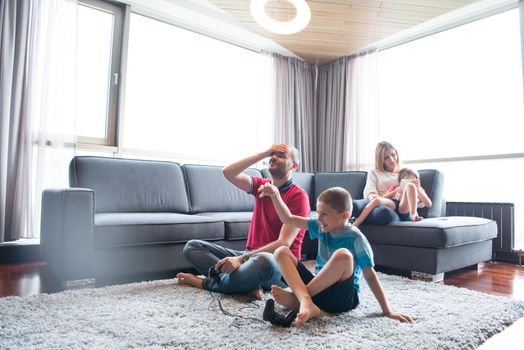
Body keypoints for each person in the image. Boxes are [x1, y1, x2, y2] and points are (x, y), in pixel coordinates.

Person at [258, 184, 413, 326]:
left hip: (342, 298)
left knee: (343, 255)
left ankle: (297, 299)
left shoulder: (356, 238)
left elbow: (370, 275)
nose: (318, 218)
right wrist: (275, 196)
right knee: (281, 251)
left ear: (344, 215)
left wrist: (387, 310)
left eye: (324, 214)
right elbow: (288, 219)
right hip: (319, 289)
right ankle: (305, 301)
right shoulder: (320, 225)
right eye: (318, 212)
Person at [176, 144, 310, 300]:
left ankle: (207, 283)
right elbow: (228, 172)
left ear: (294, 165)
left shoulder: (299, 197)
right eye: (273, 154)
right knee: (192, 247)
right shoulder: (262, 185)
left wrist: (241, 259)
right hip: (249, 256)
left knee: (263, 260)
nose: (274, 157)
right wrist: (263, 153)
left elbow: (283, 243)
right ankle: (246, 285)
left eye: (281, 155)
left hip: (280, 267)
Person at [352, 167, 432, 227]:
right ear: (401, 180)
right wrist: (397, 190)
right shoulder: (395, 187)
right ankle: (356, 223)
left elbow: (428, 204)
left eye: (412, 178)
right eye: (406, 178)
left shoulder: (419, 189)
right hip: (395, 204)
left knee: (410, 186)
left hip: (405, 209)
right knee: (377, 200)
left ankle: (413, 215)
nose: (409, 180)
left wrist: (417, 189)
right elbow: (384, 197)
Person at [352, 141, 402, 225]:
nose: (392, 160)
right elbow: (370, 190)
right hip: (373, 201)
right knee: (352, 205)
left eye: (393, 155)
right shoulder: (374, 172)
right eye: (386, 157)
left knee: (383, 212)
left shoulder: (403, 173)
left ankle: (356, 220)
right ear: (381, 159)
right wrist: (372, 194)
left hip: (391, 207)